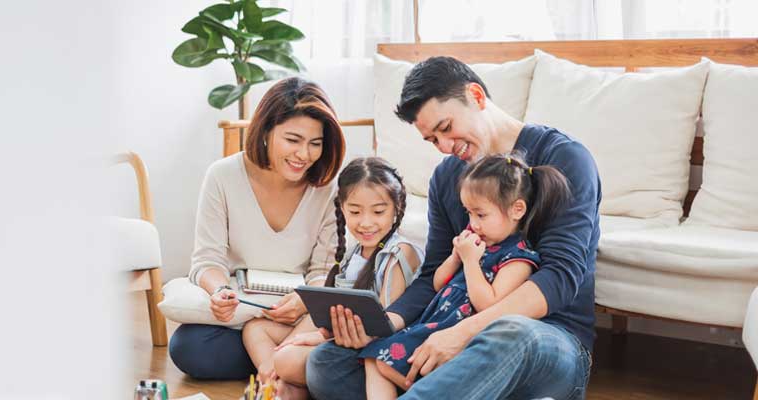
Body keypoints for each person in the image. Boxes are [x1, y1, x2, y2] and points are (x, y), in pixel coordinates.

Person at [306, 56, 601, 400]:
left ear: (476, 96)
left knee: (513, 335)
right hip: (448, 330)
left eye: (445, 128)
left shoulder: (565, 158)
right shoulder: (447, 177)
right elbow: (433, 273)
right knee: (328, 362)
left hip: (545, 339)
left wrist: (463, 333)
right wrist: (384, 326)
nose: (445, 147)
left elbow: (560, 277)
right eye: (432, 139)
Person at [168, 77, 346, 380]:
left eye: (315, 144)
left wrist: (305, 300)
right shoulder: (222, 176)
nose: (304, 154)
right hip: (242, 311)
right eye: (293, 140)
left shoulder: (328, 189)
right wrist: (220, 291)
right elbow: (207, 260)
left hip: (297, 316)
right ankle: (289, 364)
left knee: (333, 327)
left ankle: (277, 362)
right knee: (188, 347)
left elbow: (325, 270)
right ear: (265, 132)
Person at [358, 153, 570, 399]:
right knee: (375, 359)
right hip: (433, 326)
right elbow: (438, 284)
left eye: (481, 215)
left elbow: (488, 303)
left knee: (386, 363)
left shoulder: (518, 258)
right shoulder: (476, 245)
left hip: (464, 337)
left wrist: (470, 262)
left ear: (517, 210)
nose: (473, 223)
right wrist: (455, 257)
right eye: (469, 214)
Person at [250, 157, 423, 399]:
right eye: (354, 211)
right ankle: (279, 383)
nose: (366, 222)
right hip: (339, 336)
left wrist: (318, 338)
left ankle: (282, 382)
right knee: (256, 330)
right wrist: (314, 335)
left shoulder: (399, 252)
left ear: (397, 208)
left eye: (378, 211)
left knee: (287, 359)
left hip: (370, 347)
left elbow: (383, 326)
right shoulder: (354, 251)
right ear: (342, 208)